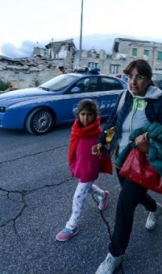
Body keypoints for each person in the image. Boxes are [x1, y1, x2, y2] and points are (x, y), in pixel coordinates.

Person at [92, 59, 162, 274]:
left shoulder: (159, 102)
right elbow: (113, 120)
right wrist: (101, 141)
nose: (133, 82)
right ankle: (155, 209)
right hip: (121, 158)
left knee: (124, 204)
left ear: (149, 79)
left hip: (145, 162)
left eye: (139, 77)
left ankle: (115, 254)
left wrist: (150, 146)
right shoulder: (125, 96)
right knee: (132, 197)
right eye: (130, 76)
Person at [55, 99, 112, 242]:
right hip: (80, 166)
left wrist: (101, 151)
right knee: (87, 188)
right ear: (78, 115)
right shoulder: (76, 129)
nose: (86, 118)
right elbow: (74, 148)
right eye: (83, 114)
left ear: (95, 116)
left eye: (90, 115)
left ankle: (72, 226)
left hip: (90, 169)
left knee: (78, 196)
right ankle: (103, 195)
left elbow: (105, 153)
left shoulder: (98, 133)